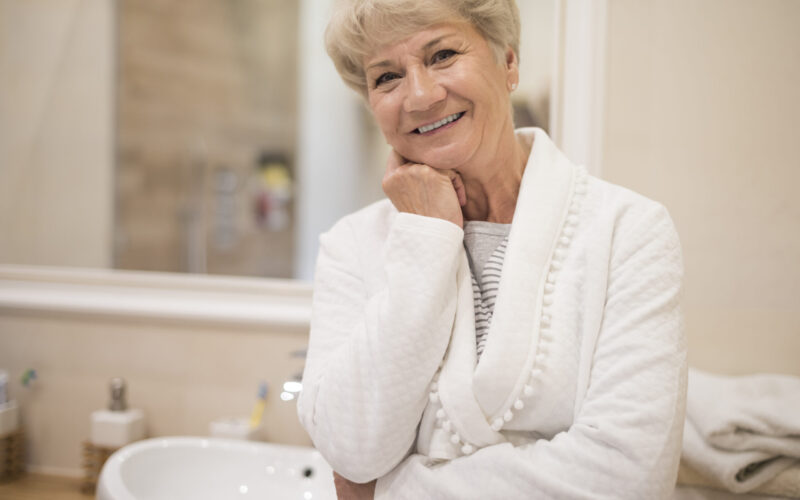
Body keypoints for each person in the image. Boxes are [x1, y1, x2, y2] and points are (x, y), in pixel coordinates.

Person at [297, 0, 687, 498]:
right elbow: (351, 450)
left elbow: (629, 478)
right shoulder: (351, 246)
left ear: (508, 62)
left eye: (441, 55)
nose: (419, 96)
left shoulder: (627, 231)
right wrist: (426, 236)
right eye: (387, 77)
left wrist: (389, 491)